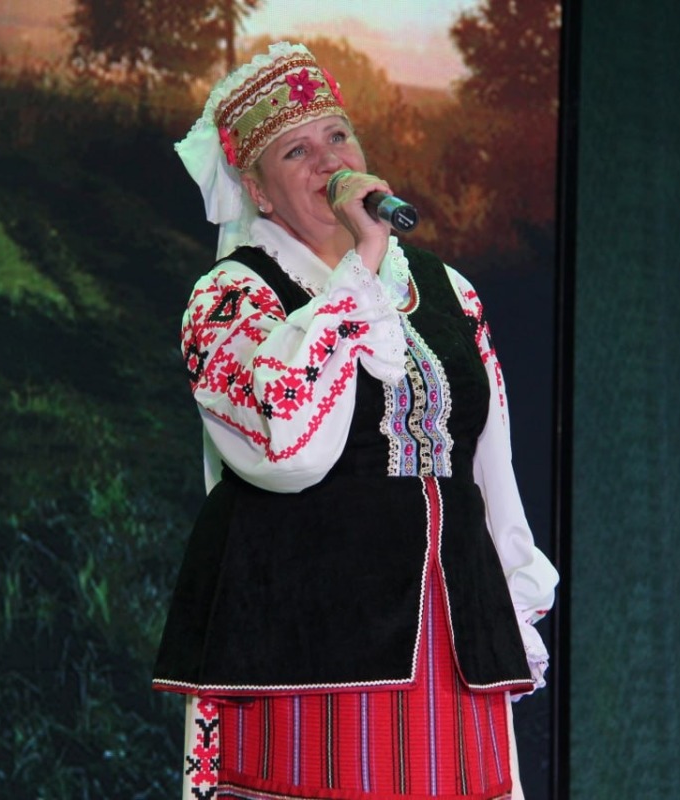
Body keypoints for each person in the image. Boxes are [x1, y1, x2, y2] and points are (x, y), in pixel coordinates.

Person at [154, 42, 558, 800]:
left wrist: (511, 594)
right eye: (296, 151)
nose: (328, 163)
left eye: (338, 136)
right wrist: (357, 276)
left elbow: (488, 462)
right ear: (258, 191)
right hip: (308, 642)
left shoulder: (448, 289)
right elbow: (287, 446)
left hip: (449, 633)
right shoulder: (231, 298)